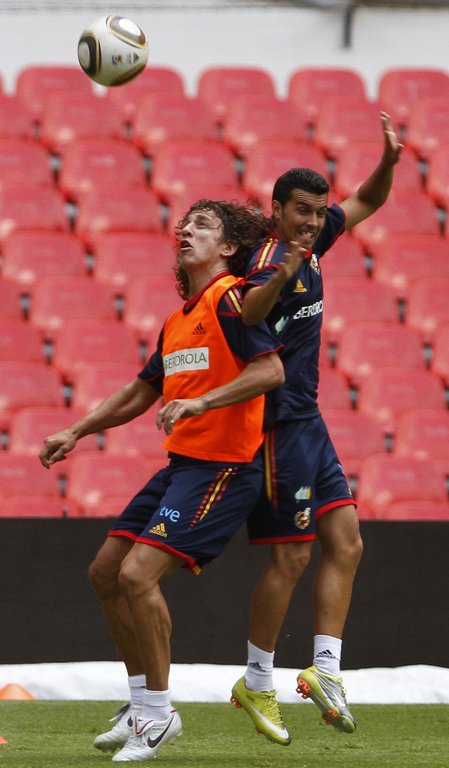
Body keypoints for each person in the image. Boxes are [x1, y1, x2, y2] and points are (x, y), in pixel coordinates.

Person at [39, 199, 284, 763]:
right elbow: (141, 391)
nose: (187, 231)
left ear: (228, 247)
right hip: (182, 466)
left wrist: (202, 402)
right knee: (106, 571)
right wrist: (76, 430)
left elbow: (271, 370)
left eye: (204, 226)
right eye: (185, 224)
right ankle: (140, 705)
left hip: (224, 469)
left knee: (137, 574)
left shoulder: (231, 300)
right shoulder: (179, 320)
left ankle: (159, 713)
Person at [230, 112, 403, 745]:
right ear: (275, 210)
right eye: (300, 211)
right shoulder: (266, 262)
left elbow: (367, 201)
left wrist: (388, 162)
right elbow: (245, 313)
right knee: (292, 556)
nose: (311, 221)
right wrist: (278, 278)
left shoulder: (313, 238)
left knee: (348, 542)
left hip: (309, 419)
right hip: (274, 427)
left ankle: (325, 670)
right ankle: (257, 679)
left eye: (316, 211)